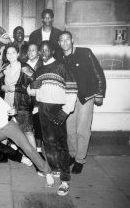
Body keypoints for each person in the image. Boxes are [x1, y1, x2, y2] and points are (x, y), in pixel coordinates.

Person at [28, 41, 78, 196]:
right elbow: (32, 92)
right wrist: (32, 86)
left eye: (46, 50)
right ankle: (53, 169)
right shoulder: (40, 69)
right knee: (48, 142)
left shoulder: (62, 66)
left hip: (58, 109)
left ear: (53, 51)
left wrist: (66, 110)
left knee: (61, 144)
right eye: (41, 51)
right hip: (43, 108)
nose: (43, 53)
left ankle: (65, 180)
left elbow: (72, 89)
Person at [58, 31, 106, 174]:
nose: (65, 42)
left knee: (82, 130)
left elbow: (98, 73)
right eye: (62, 40)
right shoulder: (59, 58)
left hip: (86, 96)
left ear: (72, 40)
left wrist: (100, 93)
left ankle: (80, 160)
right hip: (68, 99)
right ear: (59, 43)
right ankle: (72, 154)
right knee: (70, 130)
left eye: (68, 39)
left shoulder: (85, 53)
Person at [0, 43, 36, 155]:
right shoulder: (4, 67)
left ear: (18, 54)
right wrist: (2, 87)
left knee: (28, 131)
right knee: (4, 129)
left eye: (13, 52)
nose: (10, 55)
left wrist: (15, 87)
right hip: (6, 103)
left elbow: (35, 83)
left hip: (22, 103)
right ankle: (3, 155)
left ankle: (36, 157)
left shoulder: (24, 67)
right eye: (8, 53)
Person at [24, 43, 44, 156]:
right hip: (26, 99)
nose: (31, 52)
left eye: (34, 50)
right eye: (29, 50)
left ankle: (39, 150)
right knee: (27, 125)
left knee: (38, 124)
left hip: (38, 100)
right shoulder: (24, 65)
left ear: (38, 53)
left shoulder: (42, 65)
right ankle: (26, 148)